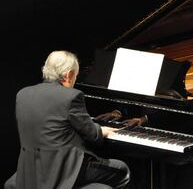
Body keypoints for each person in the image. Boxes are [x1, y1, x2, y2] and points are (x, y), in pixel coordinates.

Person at [4, 50, 130, 189]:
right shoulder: (71, 96)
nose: (75, 80)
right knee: (122, 170)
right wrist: (101, 130)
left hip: (31, 169)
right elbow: (93, 135)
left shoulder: (22, 94)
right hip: (63, 169)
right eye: (76, 76)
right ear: (69, 74)